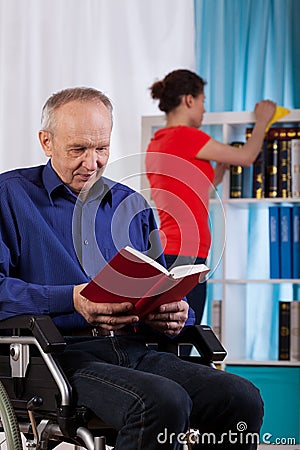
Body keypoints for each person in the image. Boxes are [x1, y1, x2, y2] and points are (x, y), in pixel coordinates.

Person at [0, 86, 264, 450]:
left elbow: (153, 283)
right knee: (162, 401)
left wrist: (174, 314)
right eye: (78, 150)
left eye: (102, 149)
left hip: (135, 349)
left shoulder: (130, 204)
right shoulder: (10, 196)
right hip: (58, 358)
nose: (92, 163)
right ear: (46, 142)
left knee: (240, 398)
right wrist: (73, 300)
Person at [146, 69, 276, 324]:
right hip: (186, 255)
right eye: (203, 101)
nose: (204, 109)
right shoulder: (186, 136)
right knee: (185, 333)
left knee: (176, 335)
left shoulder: (158, 142)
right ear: (189, 100)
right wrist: (262, 121)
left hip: (173, 253)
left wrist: (221, 166)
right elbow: (247, 156)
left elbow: (199, 187)